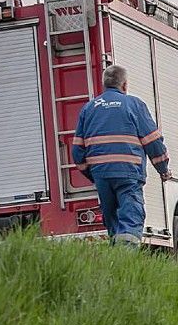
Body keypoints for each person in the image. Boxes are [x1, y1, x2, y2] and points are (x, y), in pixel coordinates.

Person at [72, 65, 170, 246]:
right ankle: (126, 259)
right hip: (128, 174)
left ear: (104, 84)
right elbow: (152, 141)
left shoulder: (89, 108)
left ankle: (115, 263)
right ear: (124, 85)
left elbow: (77, 151)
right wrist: (163, 168)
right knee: (131, 219)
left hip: (102, 175)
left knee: (113, 223)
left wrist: (93, 174)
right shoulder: (134, 104)